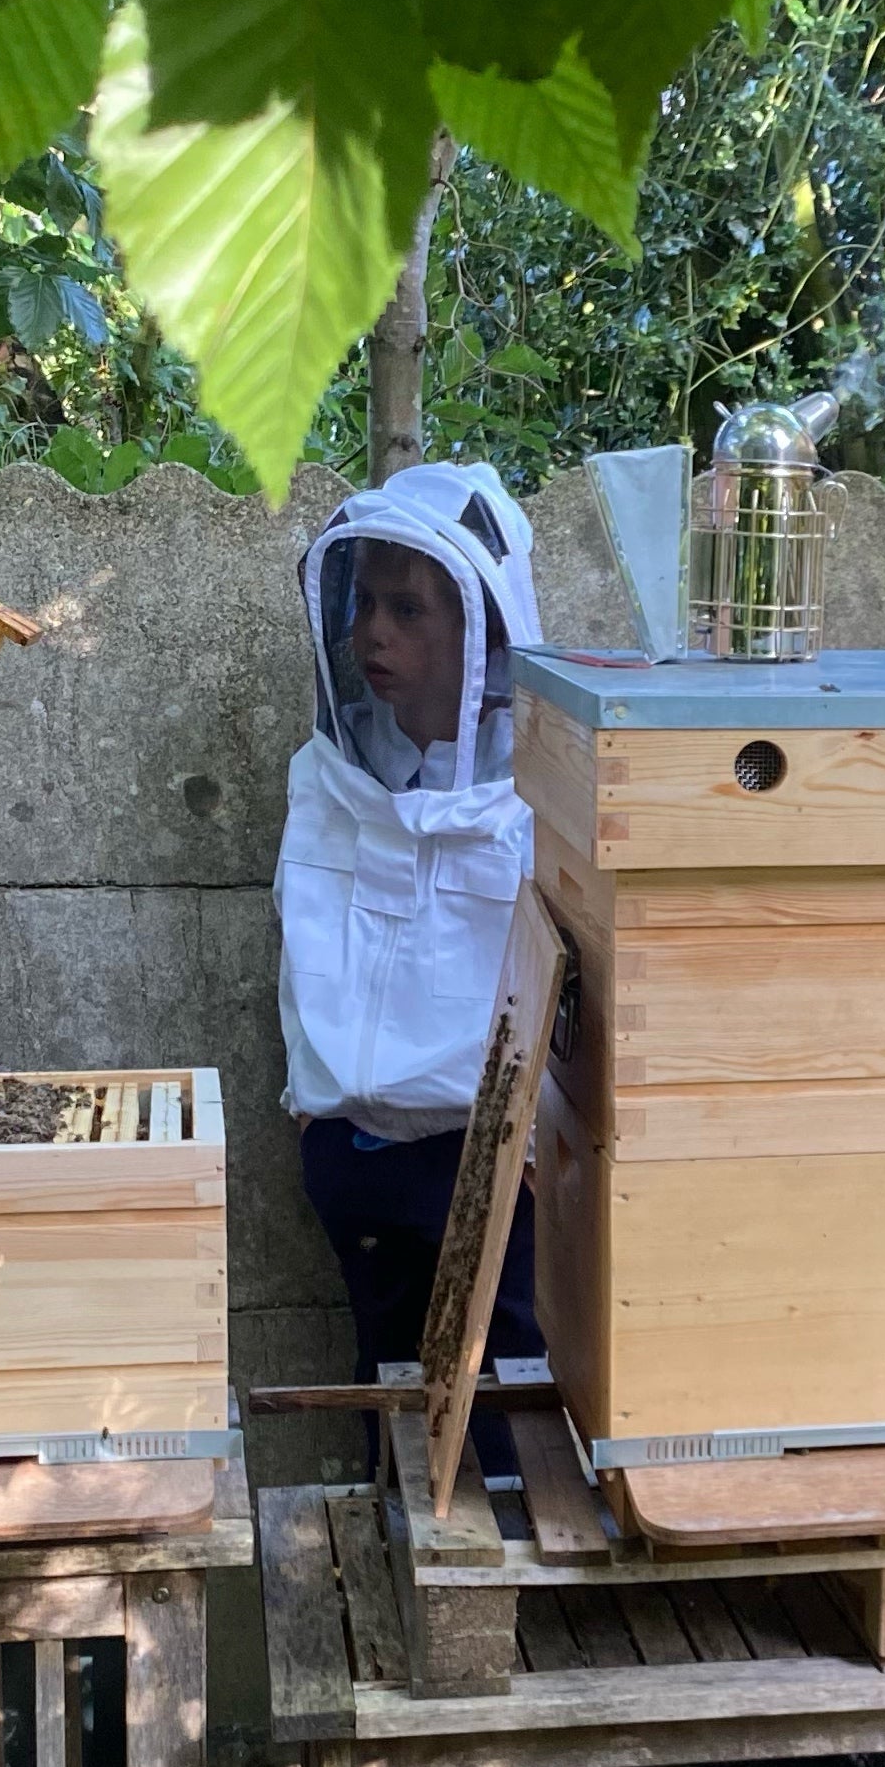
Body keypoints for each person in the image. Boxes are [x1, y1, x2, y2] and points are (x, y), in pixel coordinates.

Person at [275, 461, 546, 1457]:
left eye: (408, 610)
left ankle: (511, 1589)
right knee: (384, 1387)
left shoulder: (540, 784)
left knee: (505, 1395)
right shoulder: (335, 772)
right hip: (350, 1150)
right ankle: (395, 1571)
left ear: (481, 627)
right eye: (364, 606)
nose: (372, 635)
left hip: (483, 1155)